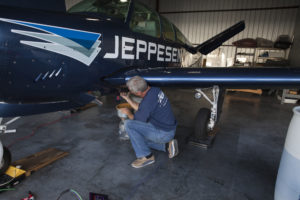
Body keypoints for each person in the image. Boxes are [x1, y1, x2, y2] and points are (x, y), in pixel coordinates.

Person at [119, 76, 178, 168]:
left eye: (132, 91)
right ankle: (166, 145)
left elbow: (135, 120)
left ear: (138, 93)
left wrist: (128, 112)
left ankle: (147, 157)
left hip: (163, 133)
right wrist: (128, 99)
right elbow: (142, 108)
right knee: (137, 140)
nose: (130, 92)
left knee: (129, 125)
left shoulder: (148, 101)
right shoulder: (155, 90)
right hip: (166, 128)